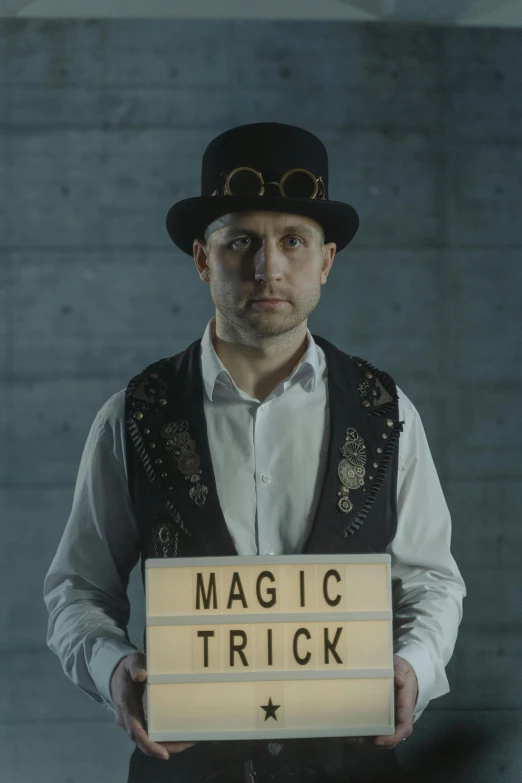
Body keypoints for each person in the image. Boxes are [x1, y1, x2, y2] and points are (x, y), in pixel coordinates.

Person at [43, 122, 467, 783]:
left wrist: (413, 663)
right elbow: (77, 590)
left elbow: (432, 580)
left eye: (292, 241)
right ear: (203, 259)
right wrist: (114, 670)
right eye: (241, 241)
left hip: (351, 767)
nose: (268, 267)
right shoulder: (133, 414)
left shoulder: (387, 411)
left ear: (326, 260)